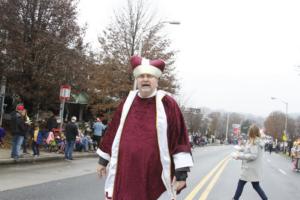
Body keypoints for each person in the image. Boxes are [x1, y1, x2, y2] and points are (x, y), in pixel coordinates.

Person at [96, 55, 193, 200]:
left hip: (153, 174)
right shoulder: (127, 102)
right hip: (125, 171)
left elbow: (179, 138)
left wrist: (181, 175)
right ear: (137, 79)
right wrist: (102, 161)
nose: (145, 79)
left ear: (157, 80)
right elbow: (113, 132)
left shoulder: (167, 104)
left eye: (150, 76)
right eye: (141, 76)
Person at [231, 124, 268, 200]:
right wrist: (240, 149)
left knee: (241, 183)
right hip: (253, 169)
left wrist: (239, 156)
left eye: (249, 131)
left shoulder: (255, 141)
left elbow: (253, 155)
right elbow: (248, 149)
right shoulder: (256, 140)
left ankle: (235, 199)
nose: (248, 133)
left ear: (251, 132)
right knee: (255, 186)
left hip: (249, 168)